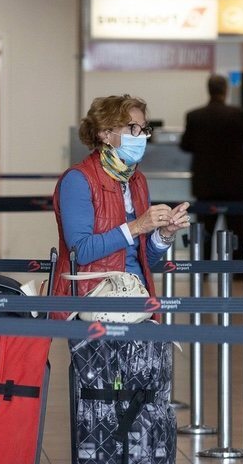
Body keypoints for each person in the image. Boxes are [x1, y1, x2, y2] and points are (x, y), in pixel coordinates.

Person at [51, 94, 189, 306]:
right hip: (95, 300)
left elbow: (141, 259)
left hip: (137, 296)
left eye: (144, 130)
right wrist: (137, 226)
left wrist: (164, 234)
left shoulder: (137, 180)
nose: (141, 136)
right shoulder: (78, 180)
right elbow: (80, 251)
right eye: (133, 128)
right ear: (106, 133)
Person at [179, 74, 243, 257]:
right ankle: (239, 272)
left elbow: (185, 145)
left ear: (209, 90)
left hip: (205, 184)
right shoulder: (237, 114)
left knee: (204, 232)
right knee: (237, 230)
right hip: (234, 184)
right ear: (225, 90)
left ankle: (202, 270)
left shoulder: (194, 116)